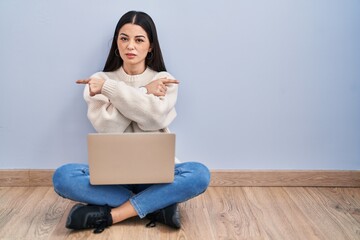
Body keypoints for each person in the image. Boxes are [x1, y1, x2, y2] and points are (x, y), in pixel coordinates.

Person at [52, 10, 210, 234]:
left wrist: (115, 95)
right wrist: (143, 91)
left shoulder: (163, 79)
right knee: (63, 177)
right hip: (112, 177)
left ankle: (113, 214)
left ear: (151, 46)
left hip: (155, 175)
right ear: (116, 44)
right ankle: (156, 206)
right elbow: (108, 127)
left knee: (199, 173)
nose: (130, 46)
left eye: (139, 40)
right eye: (124, 38)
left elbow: (152, 118)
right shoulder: (100, 81)